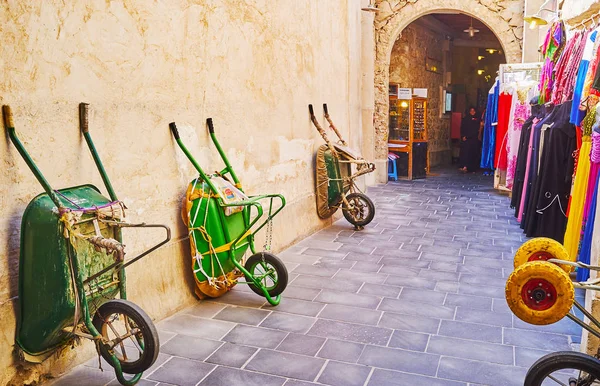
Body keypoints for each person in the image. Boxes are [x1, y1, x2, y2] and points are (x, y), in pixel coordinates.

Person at [459, 106, 482, 173]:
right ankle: (464, 166)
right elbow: (462, 127)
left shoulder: (477, 120)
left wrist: (469, 136)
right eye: (471, 111)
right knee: (465, 153)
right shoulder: (466, 119)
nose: (472, 112)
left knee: (473, 154)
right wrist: (463, 136)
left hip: (473, 139)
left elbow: (476, 130)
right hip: (466, 139)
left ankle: (472, 168)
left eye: (473, 111)